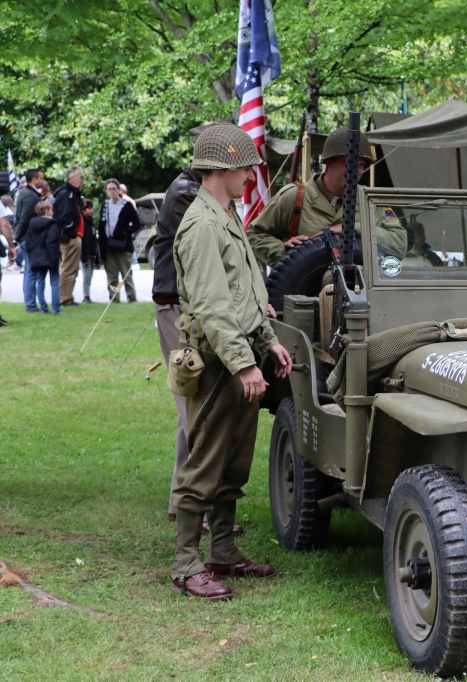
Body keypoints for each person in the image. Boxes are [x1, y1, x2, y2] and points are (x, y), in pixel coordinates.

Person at [170, 123, 292, 600]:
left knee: (232, 464)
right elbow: (213, 306)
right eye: (245, 167)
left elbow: (248, 293)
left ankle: (222, 553)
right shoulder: (201, 225)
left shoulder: (226, 214)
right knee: (204, 464)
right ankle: (185, 564)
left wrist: (268, 339)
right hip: (219, 362)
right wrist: (244, 364)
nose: (250, 176)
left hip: (239, 353)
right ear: (223, 168)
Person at [247, 126, 405, 268]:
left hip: (357, 292)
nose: (356, 171)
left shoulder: (369, 201)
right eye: (349, 163)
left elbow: (399, 244)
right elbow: (253, 235)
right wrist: (281, 249)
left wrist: (350, 229)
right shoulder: (295, 197)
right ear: (329, 162)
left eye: (361, 166)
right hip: (303, 294)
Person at [152, 167, 200, 521]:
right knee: (193, 410)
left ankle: (184, 503)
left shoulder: (188, 188)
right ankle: (191, 506)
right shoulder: (187, 192)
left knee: (193, 410)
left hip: (183, 309)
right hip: (176, 309)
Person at [97, 178, 140, 303]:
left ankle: (132, 298)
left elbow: (137, 223)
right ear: (106, 191)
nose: (112, 191)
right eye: (109, 189)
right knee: (112, 275)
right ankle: (114, 298)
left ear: (118, 190)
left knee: (126, 274)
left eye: (114, 189)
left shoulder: (127, 205)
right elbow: (101, 224)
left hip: (123, 245)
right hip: (108, 246)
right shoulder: (105, 205)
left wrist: (126, 232)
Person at [53, 166, 85, 306]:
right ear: (71, 178)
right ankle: (64, 298)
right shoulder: (66, 194)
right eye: (79, 177)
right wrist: (70, 232)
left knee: (73, 268)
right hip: (70, 237)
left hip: (74, 235)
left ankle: (68, 296)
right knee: (68, 268)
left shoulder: (73, 193)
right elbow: (63, 216)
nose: (82, 180)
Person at [14, 169, 45, 312]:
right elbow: (24, 219)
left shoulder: (26, 193)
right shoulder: (30, 196)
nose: (43, 181)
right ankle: (31, 305)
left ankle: (31, 304)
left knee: (29, 271)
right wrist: (18, 237)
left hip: (26, 237)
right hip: (29, 238)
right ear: (34, 179)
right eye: (41, 178)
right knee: (31, 272)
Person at [25, 201, 61, 314]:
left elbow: (29, 242)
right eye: (51, 209)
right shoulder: (52, 224)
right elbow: (52, 242)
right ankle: (56, 309)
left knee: (40, 282)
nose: (53, 211)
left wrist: (32, 255)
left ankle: (44, 308)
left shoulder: (32, 223)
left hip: (37, 257)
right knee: (54, 282)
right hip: (50, 256)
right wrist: (55, 257)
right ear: (46, 210)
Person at [79, 201, 100, 303]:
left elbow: (93, 240)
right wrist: (83, 255)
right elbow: (84, 240)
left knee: (90, 275)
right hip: (85, 253)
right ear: (83, 210)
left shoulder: (91, 222)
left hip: (91, 253)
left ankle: (88, 295)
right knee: (86, 275)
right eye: (89, 208)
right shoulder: (82, 221)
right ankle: (86, 296)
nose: (91, 210)